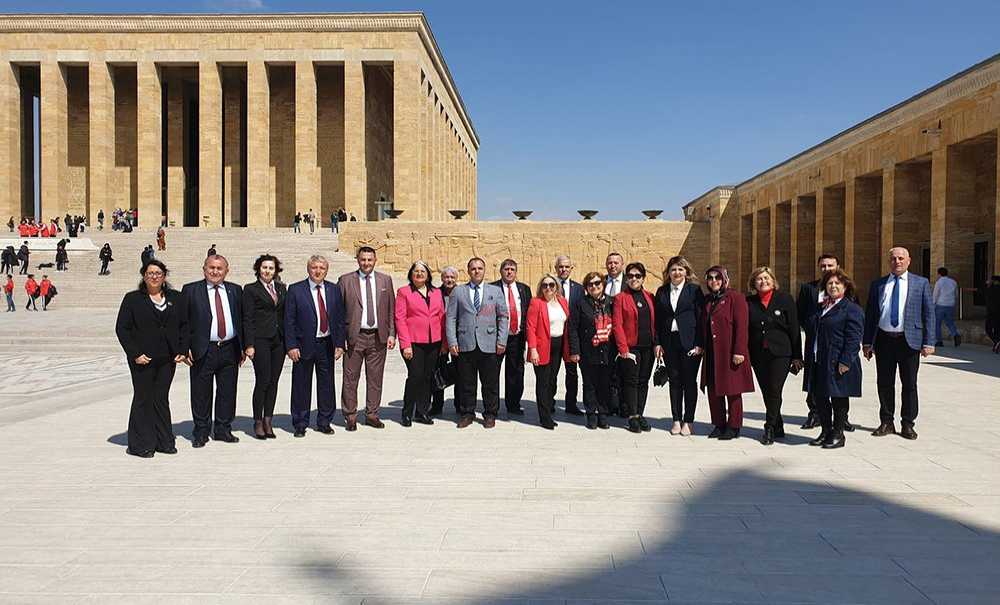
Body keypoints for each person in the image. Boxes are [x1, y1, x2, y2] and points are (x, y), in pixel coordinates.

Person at [115, 260, 189, 458]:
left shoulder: (176, 298)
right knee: (143, 398)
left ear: (164, 276)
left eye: (158, 273)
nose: (154, 276)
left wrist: (182, 349)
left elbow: (184, 325)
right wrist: (135, 353)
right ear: (144, 276)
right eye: (150, 273)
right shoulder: (133, 299)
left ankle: (164, 440)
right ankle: (141, 444)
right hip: (143, 358)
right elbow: (122, 328)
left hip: (167, 358)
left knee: (161, 398)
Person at [863, 247, 934, 441]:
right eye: (893, 259)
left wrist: (929, 341)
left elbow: (929, 313)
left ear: (909, 261)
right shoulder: (878, 284)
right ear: (889, 261)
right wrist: (867, 342)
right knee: (884, 383)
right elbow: (870, 315)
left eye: (901, 258)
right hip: (884, 340)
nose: (897, 262)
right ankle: (886, 421)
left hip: (909, 341)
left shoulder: (921, 283)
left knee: (909, 383)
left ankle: (907, 423)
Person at [181, 255, 245, 448]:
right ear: (204, 269)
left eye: (219, 268)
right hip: (203, 349)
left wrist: (243, 346)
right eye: (211, 268)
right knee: (201, 392)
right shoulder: (191, 290)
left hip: (229, 348)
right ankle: (201, 430)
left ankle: (223, 429)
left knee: (227, 391)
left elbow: (242, 319)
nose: (215, 272)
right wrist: (185, 349)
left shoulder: (235, 290)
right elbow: (182, 323)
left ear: (227, 270)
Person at [285, 255, 346, 437]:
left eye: (321, 268)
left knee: (326, 385)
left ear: (326, 270)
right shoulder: (296, 290)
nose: (318, 271)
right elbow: (289, 320)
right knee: (301, 385)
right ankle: (300, 423)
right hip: (303, 345)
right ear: (308, 269)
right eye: (314, 267)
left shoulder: (334, 290)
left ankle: (324, 421)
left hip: (326, 343)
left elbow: (340, 319)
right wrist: (291, 345)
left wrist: (339, 344)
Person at [446, 257, 509, 428]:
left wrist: (501, 340)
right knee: (467, 381)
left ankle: (490, 413)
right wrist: (452, 341)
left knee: (490, 382)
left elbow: (503, 317)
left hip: (489, 343)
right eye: (473, 268)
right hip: (466, 342)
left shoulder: (495, 292)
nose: (476, 271)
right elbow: (451, 318)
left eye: (480, 268)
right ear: (468, 271)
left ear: (484, 270)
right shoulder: (458, 292)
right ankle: (467, 413)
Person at [337, 246, 396, 430]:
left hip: (378, 336)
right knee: (350, 378)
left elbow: (391, 310)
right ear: (357, 260)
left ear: (375, 260)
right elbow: (338, 313)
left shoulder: (385, 280)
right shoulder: (346, 280)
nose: (366, 263)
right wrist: (340, 339)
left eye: (370, 260)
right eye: (363, 259)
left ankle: (372, 414)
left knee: (375, 378)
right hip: (354, 336)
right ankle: (350, 416)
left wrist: (392, 334)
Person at [745, 266, 802, 445]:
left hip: (781, 353)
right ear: (753, 283)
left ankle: (769, 427)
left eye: (766, 278)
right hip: (758, 353)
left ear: (773, 280)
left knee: (775, 388)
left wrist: (797, 355)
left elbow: (794, 328)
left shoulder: (785, 299)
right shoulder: (749, 302)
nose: (763, 281)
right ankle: (778, 424)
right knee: (766, 390)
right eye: (759, 279)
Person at [808, 270, 864, 449]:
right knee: (820, 396)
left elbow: (854, 338)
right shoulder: (822, 306)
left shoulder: (851, 308)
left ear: (845, 287)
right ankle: (825, 431)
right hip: (820, 359)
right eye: (829, 284)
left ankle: (838, 434)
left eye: (837, 284)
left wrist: (846, 361)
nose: (833, 286)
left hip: (838, 361)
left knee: (838, 398)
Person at [698, 265, 754, 440]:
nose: (714, 281)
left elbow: (742, 326)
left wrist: (739, 351)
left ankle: (734, 425)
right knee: (714, 389)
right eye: (710, 278)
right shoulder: (707, 300)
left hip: (729, 351)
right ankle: (719, 424)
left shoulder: (735, 298)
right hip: (712, 352)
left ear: (724, 280)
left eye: (718, 278)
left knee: (732, 389)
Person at [654, 256, 704, 436]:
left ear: (686, 272)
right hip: (669, 342)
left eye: (680, 269)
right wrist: (657, 342)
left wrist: (700, 343)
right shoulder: (661, 291)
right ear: (668, 273)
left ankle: (688, 421)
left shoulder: (694, 290)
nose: (677, 273)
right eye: (674, 269)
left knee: (689, 382)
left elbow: (701, 319)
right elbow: (658, 320)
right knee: (674, 381)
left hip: (690, 343)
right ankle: (676, 419)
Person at [394, 260, 446, 426]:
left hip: (434, 341)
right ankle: (407, 412)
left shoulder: (436, 292)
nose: (419, 274)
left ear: (428, 275)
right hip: (414, 342)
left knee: (427, 377)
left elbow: (442, 317)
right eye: (416, 271)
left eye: (423, 271)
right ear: (411, 274)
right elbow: (400, 319)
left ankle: (422, 411)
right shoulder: (404, 292)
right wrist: (405, 344)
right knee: (415, 376)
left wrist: (444, 342)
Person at [242, 254, 287, 440]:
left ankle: (269, 419)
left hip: (279, 340)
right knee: (263, 380)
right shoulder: (250, 289)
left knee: (274, 381)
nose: (267, 271)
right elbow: (247, 318)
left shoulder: (282, 288)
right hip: (260, 340)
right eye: (264, 267)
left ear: (276, 270)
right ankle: (258, 421)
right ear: (258, 269)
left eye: (271, 268)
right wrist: (249, 344)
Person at [797, 254, 842, 429]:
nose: (826, 269)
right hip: (814, 341)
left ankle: (840, 416)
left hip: (836, 343)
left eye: (830, 265)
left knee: (838, 380)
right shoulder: (809, 288)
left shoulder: (845, 287)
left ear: (837, 266)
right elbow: (800, 313)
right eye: (823, 266)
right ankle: (814, 413)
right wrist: (810, 326)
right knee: (813, 378)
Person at [612, 262, 657, 433]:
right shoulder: (620, 298)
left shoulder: (649, 296)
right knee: (631, 381)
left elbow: (655, 322)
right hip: (631, 348)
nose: (634, 279)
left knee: (643, 381)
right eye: (630, 276)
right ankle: (632, 416)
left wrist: (656, 344)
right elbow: (617, 325)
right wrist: (623, 349)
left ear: (643, 278)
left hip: (648, 347)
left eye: (637, 276)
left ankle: (640, 413)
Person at [568, 271, 615, 429]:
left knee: (605, 383)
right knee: (589, 384)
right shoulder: (580, 303)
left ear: (603, 284)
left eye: (597, 283)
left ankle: (603, 414)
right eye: (590, 284)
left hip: (607, 350)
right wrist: (575, 351)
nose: (594, 286)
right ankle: (591, 414)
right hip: (588, 350)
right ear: (586, 287)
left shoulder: (611, 302)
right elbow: (573, 328)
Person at [526, 273, 571, 430]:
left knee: (552, 379)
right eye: (545, 285)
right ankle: (544, 417)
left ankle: (549, 407)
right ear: (540, 288)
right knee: (543, 382)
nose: (548, 288)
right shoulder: (536, 303)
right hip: (542, 346)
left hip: (558, 346)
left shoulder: (562, 302)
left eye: (551, 285)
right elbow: (530, 327)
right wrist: (532, 350)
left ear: (556, 287)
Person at [492, 258, 531, 416]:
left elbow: (528, 312)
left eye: (512, 269)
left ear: (516, 272)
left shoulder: (524, 289)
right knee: (492, 373)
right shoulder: (492, 288)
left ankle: (513, 404)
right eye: (506, 269)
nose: (509, 272)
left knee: (515, 371)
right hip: (496, 337)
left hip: (517, 337)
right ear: (500, 271)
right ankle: (492, 407)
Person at [554, 255, 584, 415]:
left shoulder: (579, 289)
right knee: (551, 371)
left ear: (571, 269)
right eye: (560, 267)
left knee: (572, 372)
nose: (563, 269)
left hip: (572, 336)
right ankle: (549, 402)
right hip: (554, 334)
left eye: (566, 267)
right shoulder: (549, 286)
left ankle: (571, 404)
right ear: (556, 269)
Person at [431, 266, 460, 415]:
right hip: (439, 338)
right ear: (442, 278)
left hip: (458, 338)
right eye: (446, 277)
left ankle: (460, 405)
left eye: (452, 277)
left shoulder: (462, 293)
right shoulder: (435, 293)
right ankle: (437, 406)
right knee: (438, 372)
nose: (449, 280)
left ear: (456, 278)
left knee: (460, 372)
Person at [603, 252, 626, 416]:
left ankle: (625, 405)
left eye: (616, 263)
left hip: (624, 333)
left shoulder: (629, 282)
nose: (613, 265)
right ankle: (610, 404)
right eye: (610, 263)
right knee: (608, 370)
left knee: (625, 370)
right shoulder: (600, 282)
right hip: (604, 335)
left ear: (622, 264)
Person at [932, 267, 960, 347]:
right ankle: (955, 334)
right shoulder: (953, 282)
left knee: (937, 323)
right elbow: (956, 294)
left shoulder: (939, 282)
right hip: (950, 304)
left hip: (941, 304)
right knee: (950, 322)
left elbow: (935, 294)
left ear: (939, 274)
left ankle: (939, 340)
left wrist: (933, 304)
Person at [986, 275, 1000, 353]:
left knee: (988, 329)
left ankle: (996, 341)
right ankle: (996, 344)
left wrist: (987, 284)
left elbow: (982, 291)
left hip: (992, 312)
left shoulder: (991, 289)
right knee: (997, 329)